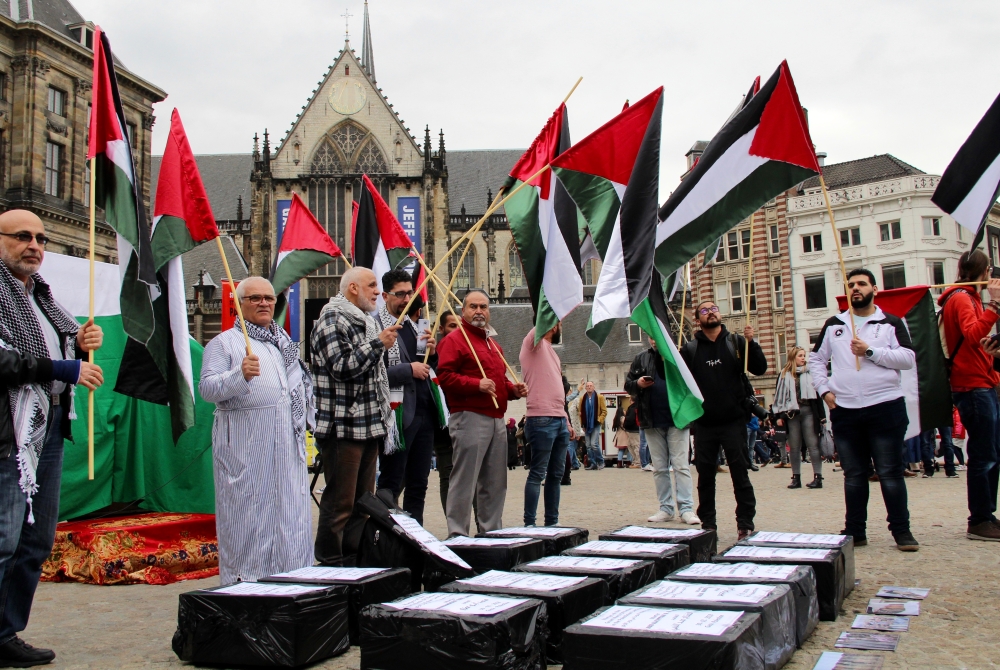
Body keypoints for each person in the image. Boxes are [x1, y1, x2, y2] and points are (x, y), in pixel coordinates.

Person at [0, 210, 104, 667]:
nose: (35, 245)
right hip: (9, 433)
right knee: (3, 539)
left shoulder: (42, 296)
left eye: (41, 238)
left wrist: (79, 343)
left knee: (36, 541)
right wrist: (66, 366)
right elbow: (5, 360)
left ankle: (4, 633)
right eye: (22, 236)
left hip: (48, 429)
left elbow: (56, 349)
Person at [200, 277, 313, 583]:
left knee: (290, 515)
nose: (264, 303)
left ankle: (294, 578)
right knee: (249, 517)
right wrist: (239, 375)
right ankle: (246, 583)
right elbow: (207, 388)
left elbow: (299, 389)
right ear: (239, 305)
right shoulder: (223, 343)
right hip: (247, 448)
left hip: (287, 447)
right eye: (255, 298)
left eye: (268, 298)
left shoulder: (285, 344)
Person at [809, 268, 919, 551]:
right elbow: (816, 359)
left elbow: (907, 358)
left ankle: (901, 530)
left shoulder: (890, 322)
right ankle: (855, 529)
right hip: (846, 408)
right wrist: (824, 390)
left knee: (890, 472)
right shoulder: (835, 324)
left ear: (874, 289)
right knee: (854, 474)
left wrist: (870, 351)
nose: (855, 288)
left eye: (861, 284)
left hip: (885, 406)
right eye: (851, 285)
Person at [311, 267, 400, 562]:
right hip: (343, 428)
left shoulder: (366, 322)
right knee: (340, 505)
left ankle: (354, 565)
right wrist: (379, 345)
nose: (378, 291)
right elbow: (342, 367)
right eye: (372, 285)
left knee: (363, 506)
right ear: (352, 288)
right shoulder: (331, 318)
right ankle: (329, 567)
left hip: (368, 426)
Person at [437, 290, 527, 537]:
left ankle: (491, 533)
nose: (479, 311)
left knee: (494, 482)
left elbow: (498, 380)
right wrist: (476, 385)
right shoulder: (454, 340)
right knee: (465, 480)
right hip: (469, 416)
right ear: (463, 310)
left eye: (483, 307)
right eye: (473, 307)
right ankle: (457, 534)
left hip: (496, 418)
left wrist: (513, 390)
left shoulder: (492, 343)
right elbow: (444, 377)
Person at [680, 301, 765, 540]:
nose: (710, 313)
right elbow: (676, 380)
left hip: (733, 420)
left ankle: (745, 521)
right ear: (698, 319)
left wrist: (752, 343)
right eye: (704, 311)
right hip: (705, 422)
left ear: (720, 314)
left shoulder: (736, 342)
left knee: (740, 472)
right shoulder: (691, 349)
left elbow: (759, 368)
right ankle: (708, 522)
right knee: (705, 475)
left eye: (713, 308)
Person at [941, 249, 1000, 540]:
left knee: (992, 452)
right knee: (983, 454)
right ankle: (979, 519)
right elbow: (973, 333)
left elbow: (975, 341)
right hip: (972, 385)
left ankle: (986, 514)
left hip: (981, 381)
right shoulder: (963, 298)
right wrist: (995, 307)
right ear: (984, 271)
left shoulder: (968, 297)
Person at [373, 269, 438, 525]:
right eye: (400, 294)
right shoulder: (377, 327)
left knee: (418, 484)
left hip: (423, 412)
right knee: (391, 484)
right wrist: (408, 369)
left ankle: (416, 537)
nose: (407, 298)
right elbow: (373, 373)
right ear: (386, 296)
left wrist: (432, 352)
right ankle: (384, 537)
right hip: (398, 416)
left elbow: (429, 367)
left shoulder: (417, 325)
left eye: (410, 292)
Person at [629, 337, 700, 525]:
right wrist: (638, 384)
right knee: (659, 468)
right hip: (651, 420)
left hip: (677, 419)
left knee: (681, 466)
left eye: (657, 335)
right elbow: (628, 384)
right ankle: (666, 508)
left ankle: (686, 508)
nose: (654, 340)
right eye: (651, 336)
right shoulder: (641, 358)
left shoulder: (680, 357)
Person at [519, 323, 573, 526]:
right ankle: (530, 523)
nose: (561, 326)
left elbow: (558, 392)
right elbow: (542, 318)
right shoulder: (533, 344)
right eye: (558, 323)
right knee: (537, 472)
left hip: (558, 418)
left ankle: (552, 522)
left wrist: (566, 421)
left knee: (556, 474)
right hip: (541, 418)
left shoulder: (552, 352)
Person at [773, 346, 825, 489]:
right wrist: (778, 416)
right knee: (794, 447)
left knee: (813, 445)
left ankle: (818, 477)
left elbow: (818, 395)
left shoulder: (810, 373)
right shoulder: (784, 374)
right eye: (800, 355)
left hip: (809, 411)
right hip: (792, 414)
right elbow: (779, 397)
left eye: (804, 355)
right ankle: (796, 478)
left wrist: (822, 417)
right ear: (793, 357)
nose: (803, 358)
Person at [432, 311, 461, 511]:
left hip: (465, 416)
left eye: (459, 326)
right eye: (452, 326)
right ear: (441, 329)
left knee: (473, 475)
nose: (457, 331)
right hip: (444, 419)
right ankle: (454, 527)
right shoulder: (435, 353)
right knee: (447, 473)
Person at [579, 381, 607, 469]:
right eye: (587, 386)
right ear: (585, 388)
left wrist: (599, 420)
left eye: (591, 386)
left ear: (594, 387)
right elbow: (581, 413)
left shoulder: (599, 397)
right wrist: (582, 424)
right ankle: (592, 463)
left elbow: (604, 411)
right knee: (588, 445)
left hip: (595, 423)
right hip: (586, 425)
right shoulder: (582, 399)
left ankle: (601, 461)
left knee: (594, 444)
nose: (589, 387)